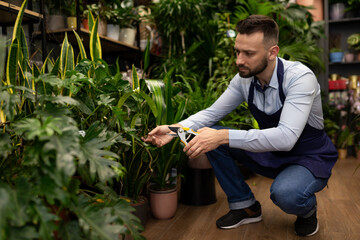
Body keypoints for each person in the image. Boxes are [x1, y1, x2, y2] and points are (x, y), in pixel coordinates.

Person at [142, 15, 338, 237]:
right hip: (271, 152)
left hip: (307, 157)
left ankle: (307, 211)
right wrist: (173, 129)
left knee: (286, 194)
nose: (239, 60)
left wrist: (224, 136)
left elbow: (286, 138)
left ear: (273, 52)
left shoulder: (299, 78)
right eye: (237, 51)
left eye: (249, 54)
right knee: (208, 135)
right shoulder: (244, 80)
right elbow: (211, 114)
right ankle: (244, 205)